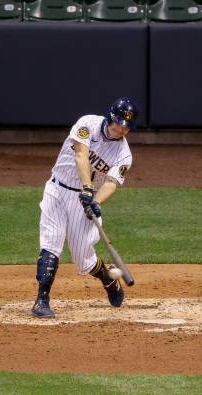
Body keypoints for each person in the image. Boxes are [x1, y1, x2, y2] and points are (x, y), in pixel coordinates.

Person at [31, 97, 138, 318]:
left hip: (85, 201)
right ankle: (42, 300)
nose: (121, 129)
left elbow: (111, 183)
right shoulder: (87, 123)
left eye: (126, 127)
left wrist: (95, 202)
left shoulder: (124, 154)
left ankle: (108, 278)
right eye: (119, 123)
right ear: (110, 116)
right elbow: (81, 155)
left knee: (84, 260)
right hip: (57, 190)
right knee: (51, 244)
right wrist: (87, 188)